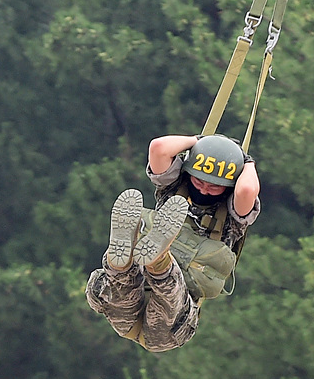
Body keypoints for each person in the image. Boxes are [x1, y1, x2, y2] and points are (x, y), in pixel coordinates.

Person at [86, 133, 261, 352]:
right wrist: (199, 141)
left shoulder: (233, 218)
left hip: (166, 327)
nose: (204, 189)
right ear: (189, 173)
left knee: (167, 294)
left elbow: (246, 190)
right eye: (198, 181)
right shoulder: (174, 186)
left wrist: (246, 161)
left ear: (229, 186)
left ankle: (152, 260)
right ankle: (124, 261)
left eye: (214, 186)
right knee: (123, 284)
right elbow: (158, 148)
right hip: (133, 302)